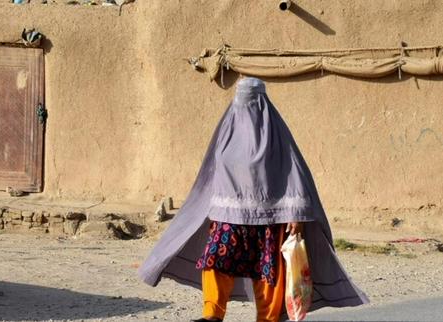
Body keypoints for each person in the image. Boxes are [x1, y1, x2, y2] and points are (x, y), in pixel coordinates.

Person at [138, 77, 369, 322]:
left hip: (269, 219)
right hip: (229, 216)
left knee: (267, 274)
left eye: (252, 100)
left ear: (262, 102)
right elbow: (211, 174)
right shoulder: (226, 133)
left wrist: (296, 216)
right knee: (216, 260)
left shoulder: (278, 137)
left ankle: (267, 319)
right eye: (241, 98)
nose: (245, 106)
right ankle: (212, 315)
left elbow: (294, 174)